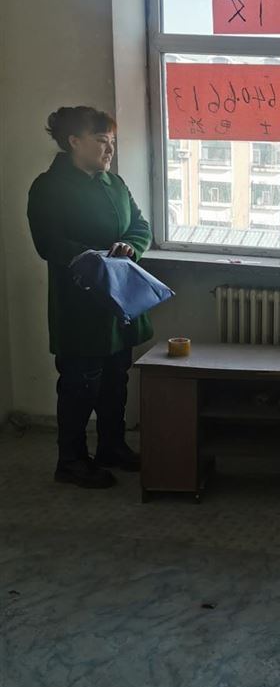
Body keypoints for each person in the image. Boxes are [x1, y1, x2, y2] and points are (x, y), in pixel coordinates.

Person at [27, 107, 153, 489]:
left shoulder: (114, 183)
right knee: (80, 385)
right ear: (74, 142)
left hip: (117, 301)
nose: (109, 149)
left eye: (112, 141)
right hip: (79, 303)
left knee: (115, 379)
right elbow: (49, 243)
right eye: (101, 141)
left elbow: (139, 226)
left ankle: (111, 447)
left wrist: (130, 247)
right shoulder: (48, 187)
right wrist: (96, 257)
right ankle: (71, 460)